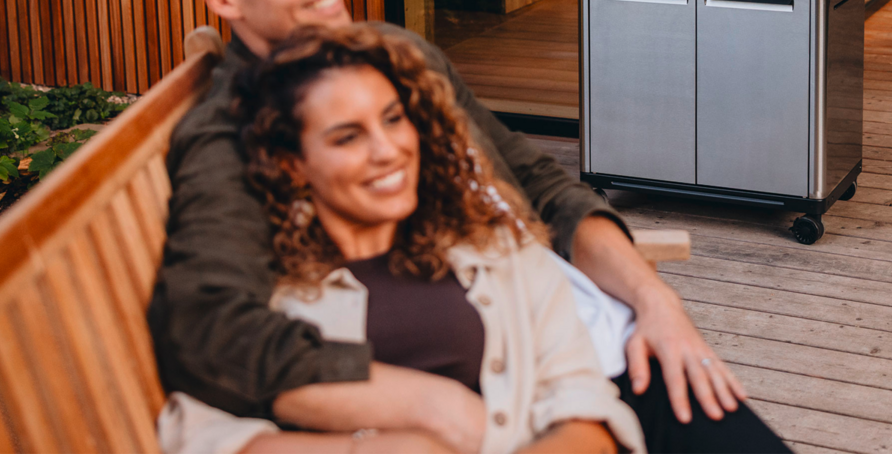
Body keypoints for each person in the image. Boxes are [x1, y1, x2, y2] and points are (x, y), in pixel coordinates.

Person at [150, 0, 788, 452]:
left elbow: (538, 183)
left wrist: (655, 303)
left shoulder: (395, 57)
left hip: (582, 338)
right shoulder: (231, 133)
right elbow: (209, 328)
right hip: (523, 382)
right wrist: (436, 405)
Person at [159, 24, 646, 454]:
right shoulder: (274, 295)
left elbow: (586, 407)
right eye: (347, 138)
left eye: (393, 119)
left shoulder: (495, 250)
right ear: (292, 163)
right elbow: (204, 432)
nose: (388, 151)